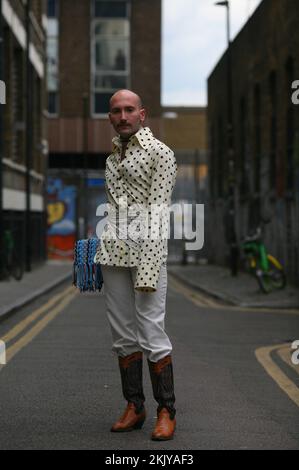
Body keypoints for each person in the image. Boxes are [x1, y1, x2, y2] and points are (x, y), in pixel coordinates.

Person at [95, 89, 177, 441]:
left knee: (151, 332)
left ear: (142, 114)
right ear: (110, 117)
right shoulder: (112, 157)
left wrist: (147, 271)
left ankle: (166, 410)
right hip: (113, 254)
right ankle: (135, 406)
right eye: (116, 111)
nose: (123, 116)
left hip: (148, 256)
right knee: (122, 336)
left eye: (129, 110)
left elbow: (158, 215)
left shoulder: (161, 153)